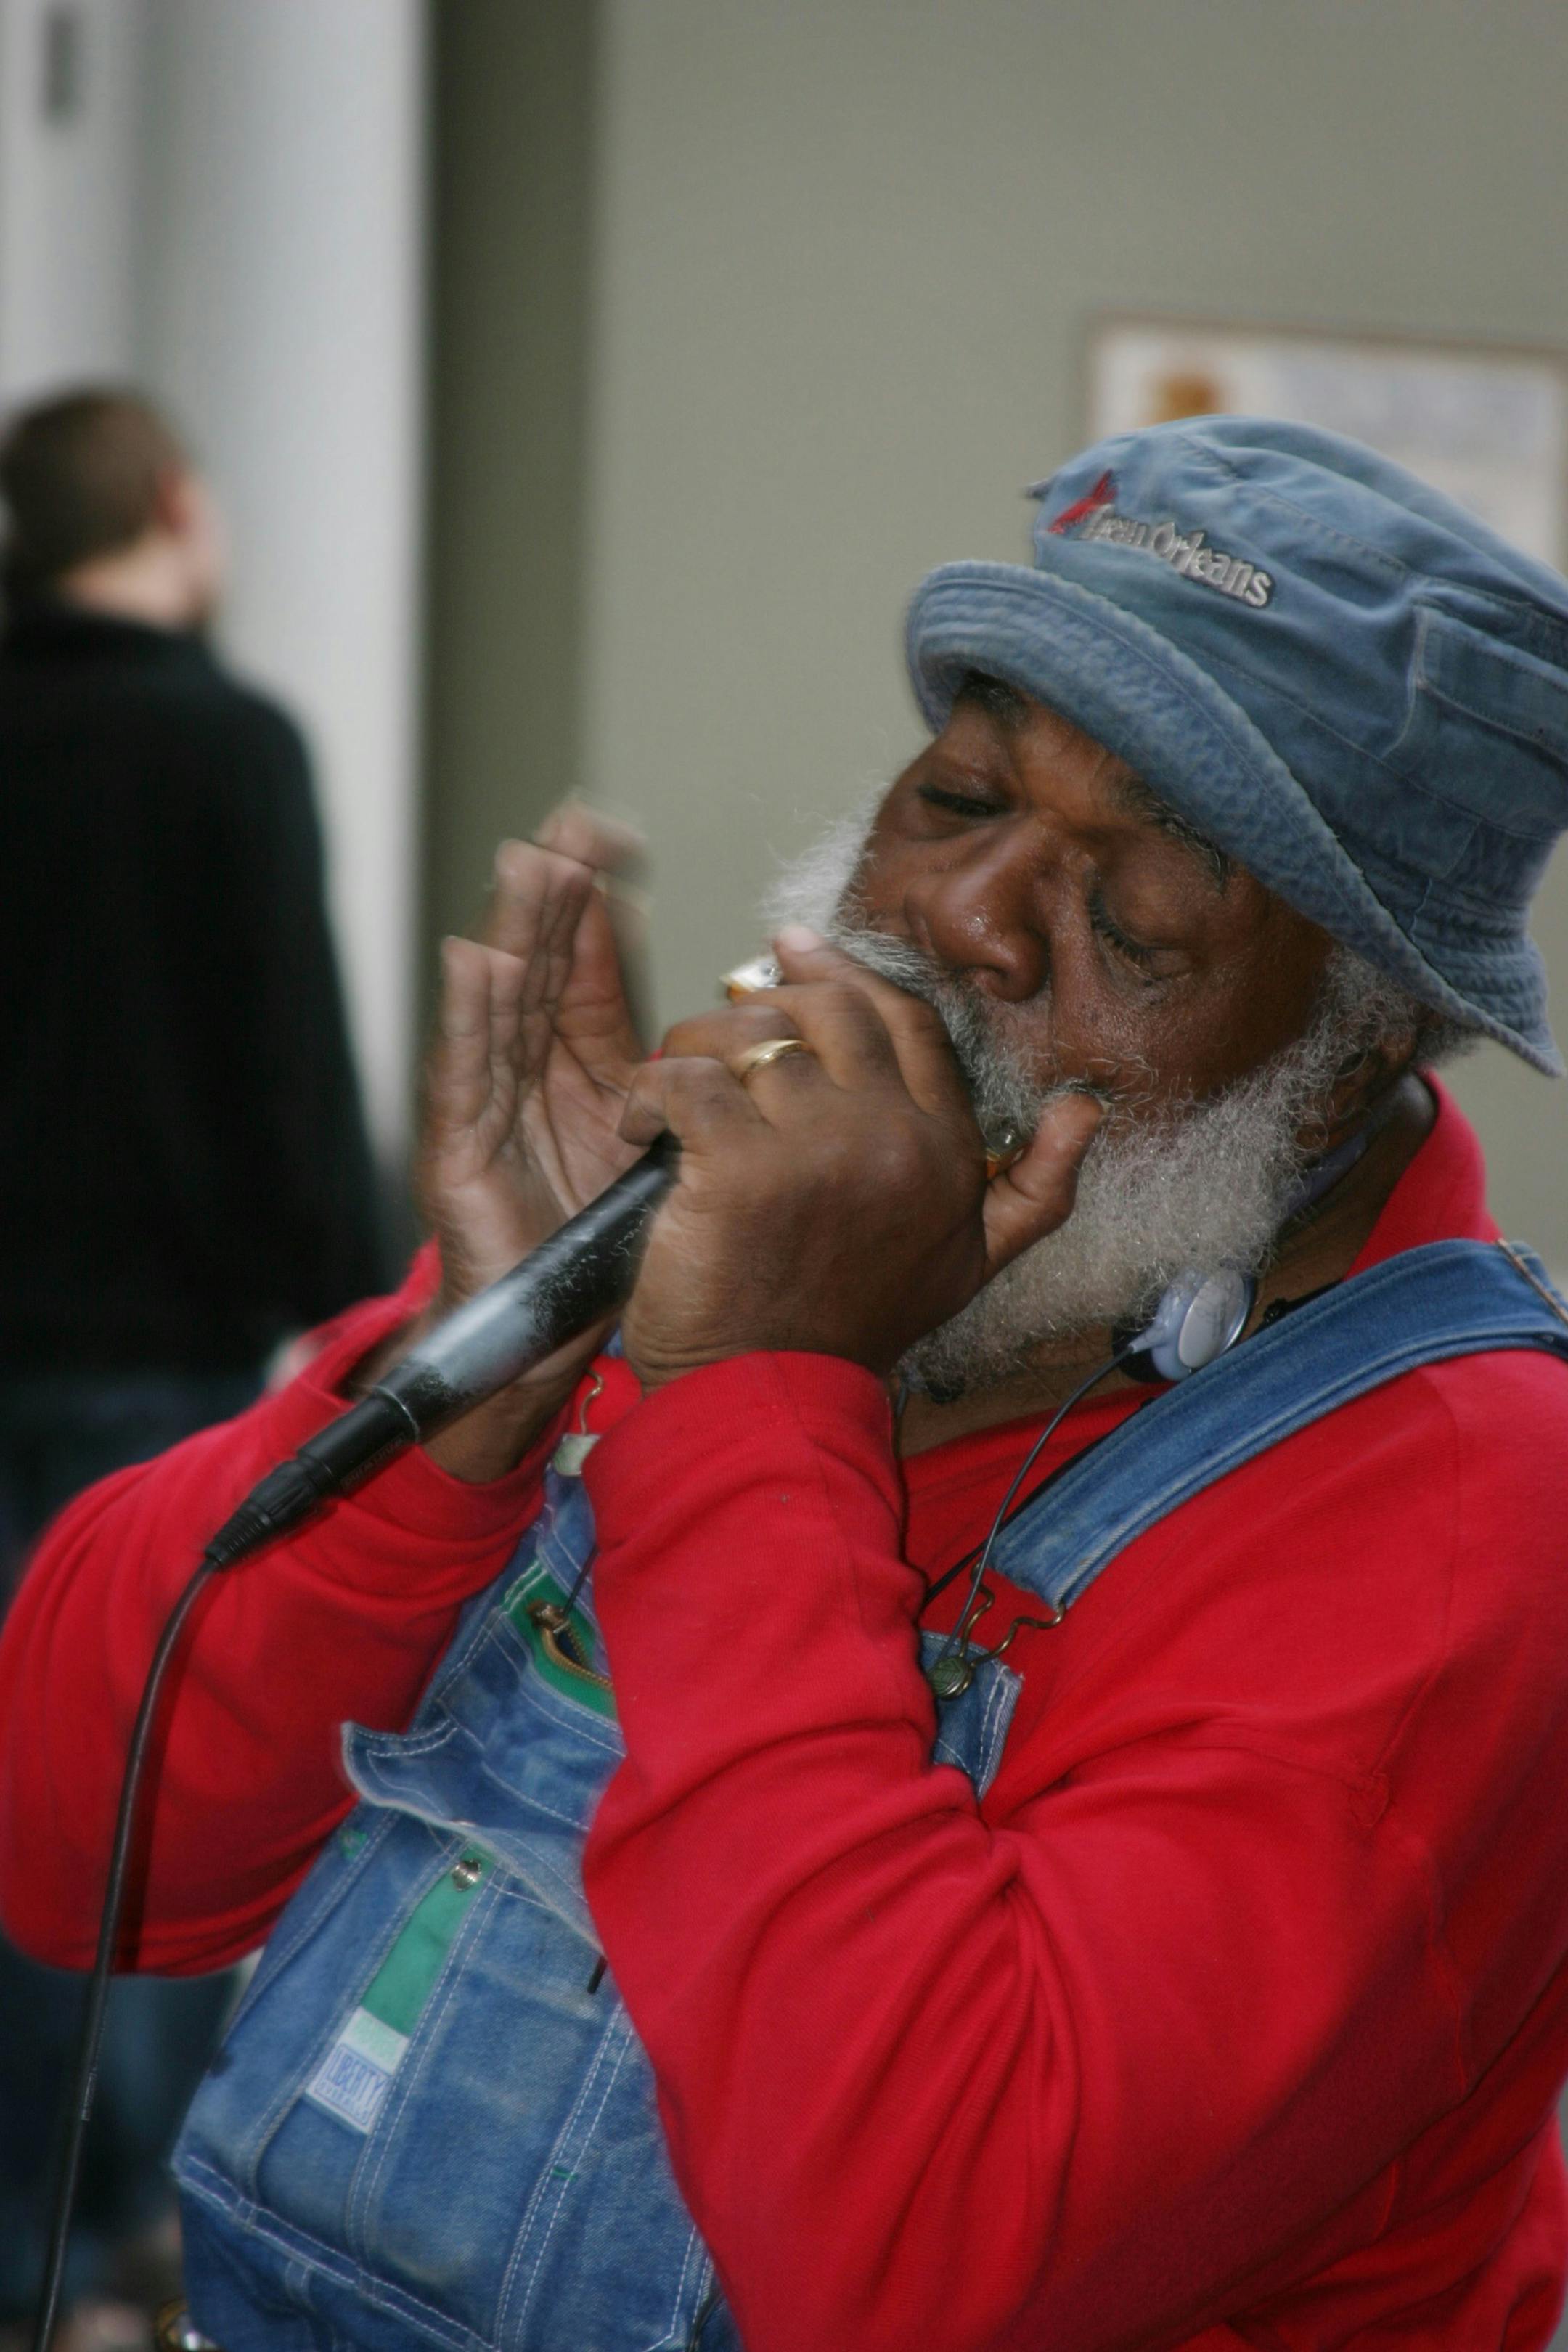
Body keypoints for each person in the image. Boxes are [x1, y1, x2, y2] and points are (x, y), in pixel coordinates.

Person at [3, 416, 1568, 2352]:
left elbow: (907, 2253)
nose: (972, 920)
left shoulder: (1460, 1521)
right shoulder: (719, 1229)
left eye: (1135, 919)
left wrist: (751, 1396)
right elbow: (81, 1836)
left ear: (1366, 1041)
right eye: (959, 796)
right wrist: (472, 1372)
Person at [0, 388, 386, 2335]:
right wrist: (360, 1281)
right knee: (110, 1808)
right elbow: (283, 1060)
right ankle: (81, 2249)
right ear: (173, 511)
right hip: (137, 1372)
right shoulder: (224, 747)